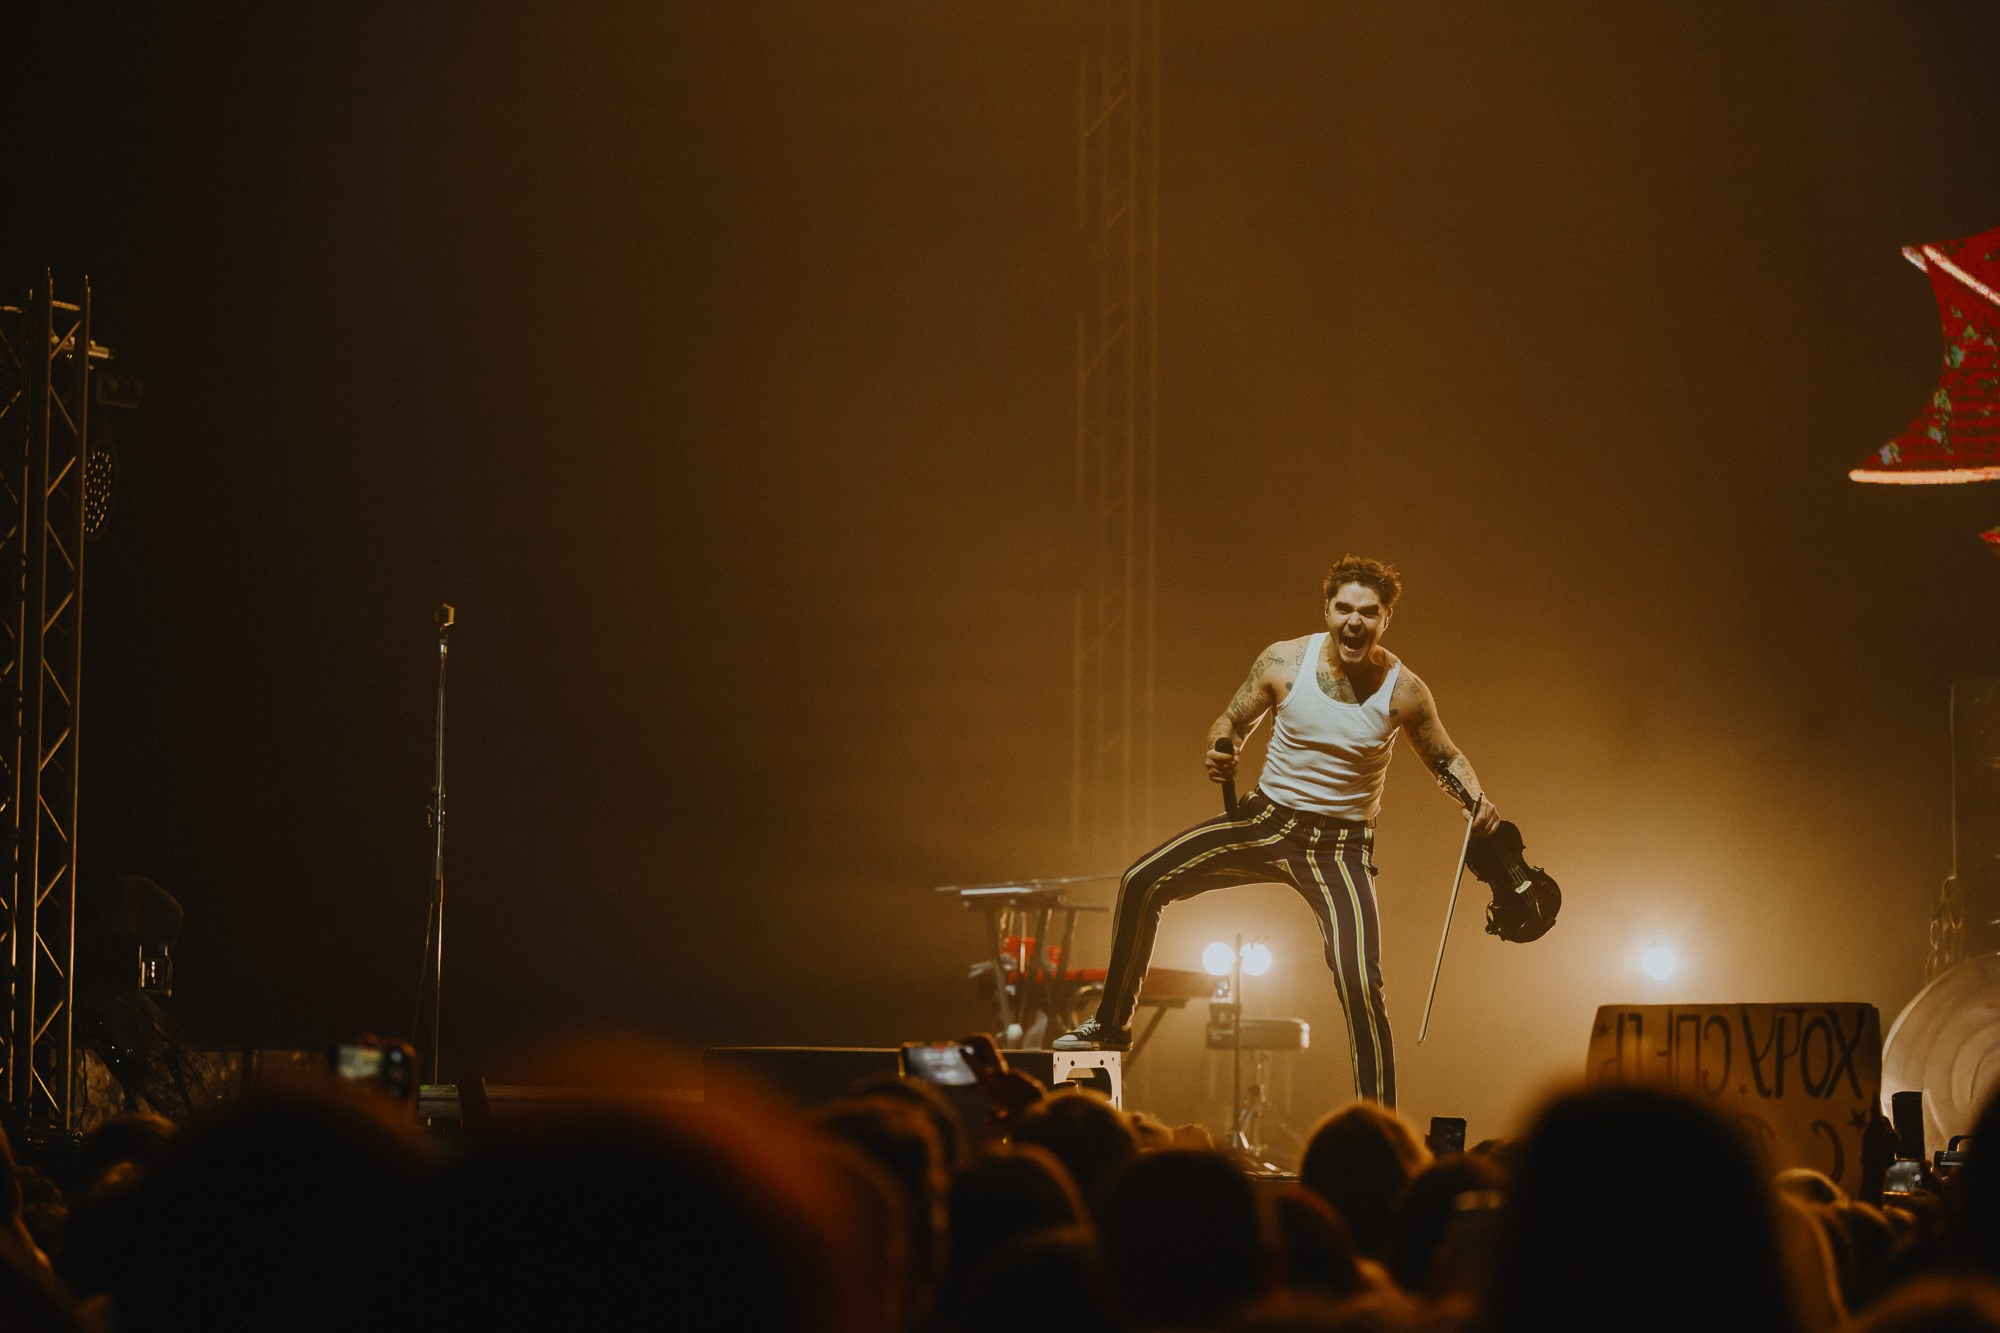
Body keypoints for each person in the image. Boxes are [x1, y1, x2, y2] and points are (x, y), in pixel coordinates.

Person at [1054, 556, 1498, 1108]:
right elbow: (1231, 721)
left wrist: (1474, 799)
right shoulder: (1284, 660)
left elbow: (1445, 756)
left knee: (1361, 981)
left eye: (1368, 612)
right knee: (1142, 880)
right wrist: (1222, 748)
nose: (1354, 622)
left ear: (1386, 619)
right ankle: (1111, 1024)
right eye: (1344, 609)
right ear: (1328, 610)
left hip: (1341, 848)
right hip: (1267, 822)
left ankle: (1377, 1121)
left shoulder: (1403, 690)